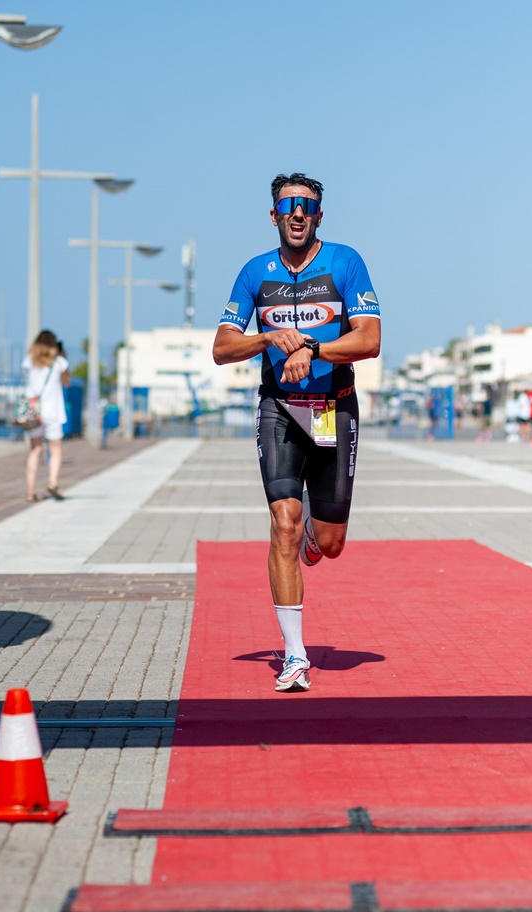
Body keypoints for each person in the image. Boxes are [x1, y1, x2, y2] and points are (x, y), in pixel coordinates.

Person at [212, 173, 381, 692]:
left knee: (329, 544)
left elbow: (370, 339)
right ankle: (295, 655)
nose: (298, 213)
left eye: (307, 205)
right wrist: (268, 337)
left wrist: (311, 348)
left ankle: (315, 530)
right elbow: (222, 349)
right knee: (282, 523)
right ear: (274, 215)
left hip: (334, 408)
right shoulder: (253, 273)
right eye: (288, 205)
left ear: (319, 216)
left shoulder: (346, 262)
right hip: (280, 409)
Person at [22, 330, 71, 502]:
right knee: (55, 450)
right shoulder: (59, 363)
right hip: (53, 412)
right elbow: (67, 383)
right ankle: (52, 483)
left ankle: (30, 491)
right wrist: (64, 357)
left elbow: (28, 383)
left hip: (34, 411)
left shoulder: (29, 361)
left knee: (35, 450)